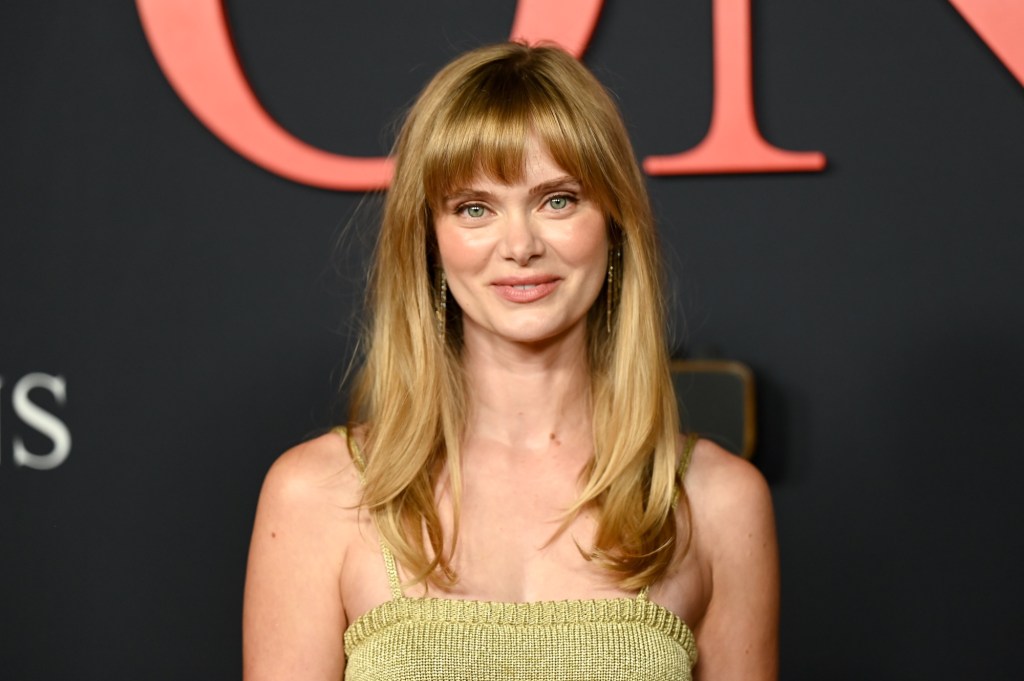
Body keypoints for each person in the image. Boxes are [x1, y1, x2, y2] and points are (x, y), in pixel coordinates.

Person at [242, 42, 778, 681]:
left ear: (614, 224)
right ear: (430, 242)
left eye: (558, 200)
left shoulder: (718, 503)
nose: (520, 245)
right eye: (475, 208)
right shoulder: (316, 496)